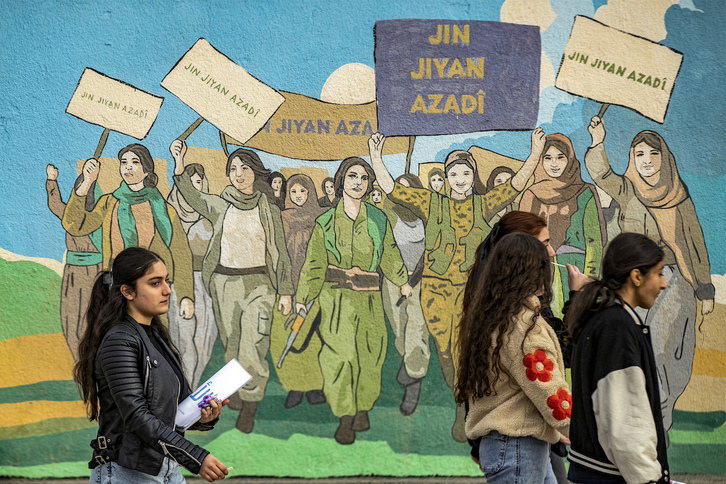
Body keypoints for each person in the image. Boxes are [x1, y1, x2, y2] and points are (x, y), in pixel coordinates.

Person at [368, 129, 543, 441]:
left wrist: (535, 152)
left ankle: (465, 408)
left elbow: (515, 186)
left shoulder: (482, 204)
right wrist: (376, 157)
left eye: (466, 173)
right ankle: (460, 394)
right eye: (454, 173)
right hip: (436, 295)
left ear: (472, 176)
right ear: (446, 177)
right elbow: (392, 189)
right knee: (447, 353)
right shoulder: (431, 203)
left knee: (469, 351)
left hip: (472, 294)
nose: (460, 179)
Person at [585, 116, 714, 431]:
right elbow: (601, 173)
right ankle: (653, 435)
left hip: (675, 281)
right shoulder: (627, 190)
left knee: (675, 358)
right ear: (632, 158)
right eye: (639, 154)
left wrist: (705, 288)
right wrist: (597, 141)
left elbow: (695, 241)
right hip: (636, 284)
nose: (646, 161)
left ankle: (659, 428)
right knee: (648, 352)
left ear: (664, 157)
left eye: (653, 153)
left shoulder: (678, 195)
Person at [74, 247, 229, 483]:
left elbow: (168, 411)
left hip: (166, 469)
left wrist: (203, 418)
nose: (167, 290)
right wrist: (195, 457)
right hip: (127, 473)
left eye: (166, 281)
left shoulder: (155, 336)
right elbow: (137, 416)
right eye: (155, 283)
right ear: (127, 291)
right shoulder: (119, 341)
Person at [170, 139, 294, 434]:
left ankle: (250, 403)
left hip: (260, 284)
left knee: (254, 345)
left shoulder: (268, 208)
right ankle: (237, 390)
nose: (238, 173)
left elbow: (280, 250)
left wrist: (286, 290)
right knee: (233, 345)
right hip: (224, 283)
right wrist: (179, 160)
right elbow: (190, 195)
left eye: (245, 168)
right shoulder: (220, 203)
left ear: (256, 172)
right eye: (233, 169)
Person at [463, 210, 589, 484]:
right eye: (545, 256)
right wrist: (591, 433)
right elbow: (550, 392)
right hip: (518, 447)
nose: (552, 255)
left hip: (520, 445)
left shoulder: (499, 311)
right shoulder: (524, 327)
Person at [294, 156, 412, 445]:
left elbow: (390, 253)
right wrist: (303, 297)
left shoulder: (378, 219)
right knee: (339, 357)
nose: (358, 183)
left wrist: (402, 281)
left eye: (363, 178)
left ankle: (363, 406)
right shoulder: (324, 222)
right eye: (352, 176)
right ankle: (345, 416)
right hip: (336, 302)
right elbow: (314, 264)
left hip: (369, 300)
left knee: (370, 357)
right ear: (340, 181)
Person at [565, 233, 670, 483]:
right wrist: (649, 480)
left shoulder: (601, 318)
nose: (664, 283)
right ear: (636, 276)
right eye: (659, 273)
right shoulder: (617, 327)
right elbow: (626, 424)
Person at [62, 144, 195, 328]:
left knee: (152, 342)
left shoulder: (164, 209)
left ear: (147, 170)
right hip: (117, 289)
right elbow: (76, 226)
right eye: (124, 162)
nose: (128, 167)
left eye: (135, 162)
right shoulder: (110, 202)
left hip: (153, 290)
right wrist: (86, 182)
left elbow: (181, 252)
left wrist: (186, 295)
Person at [519, 133, 606, 318]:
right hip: (540, 277)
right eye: (548, 158)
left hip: (575, 271)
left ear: (570, 159)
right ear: (541, 161)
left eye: (560, 157)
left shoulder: (585, 192)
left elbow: (594, 242)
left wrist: (587, 281)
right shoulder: (531, 195)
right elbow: (521, 242)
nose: (554, 163)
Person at [270, 173, 326, 409]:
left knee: (313, 338)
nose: (299, 196)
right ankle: (294, 386)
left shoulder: (321, 218)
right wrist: (286, 289)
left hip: (315, 288)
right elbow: (277, 254)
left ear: (310, 192)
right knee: (287, 336)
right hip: (287, 288)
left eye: (303, 191)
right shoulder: (281, 218)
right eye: (294, 192)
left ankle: (314, 386)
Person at [377, 173, 430, 416]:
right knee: (399, 329)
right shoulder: (388, 216)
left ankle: (414, 381)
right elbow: (384, 249)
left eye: (408, 190)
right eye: (399, 189)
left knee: (417, 329)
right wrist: (399, 279)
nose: (403, 195)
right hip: (393, 279)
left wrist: (412, 280)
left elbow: (429, 253)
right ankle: (409, 364)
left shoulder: (426, 218)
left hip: (419, 281)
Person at [166, 163, 218, 389]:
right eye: (188, 182)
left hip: (207, 284)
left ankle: (192, 388)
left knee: (204, 342)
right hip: (179, 283)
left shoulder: (212, 216)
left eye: (197, 182)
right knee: (181, 340)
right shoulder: (167, 213)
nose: (193, 187)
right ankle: (183, 392)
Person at [46, 164, 103, 362]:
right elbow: (55, 204)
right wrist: (51, 180)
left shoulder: (100, 216)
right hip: (73, 271)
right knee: (71, 316)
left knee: (91, 316)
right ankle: (79, 359)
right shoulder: (70, 215)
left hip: (95, 271)